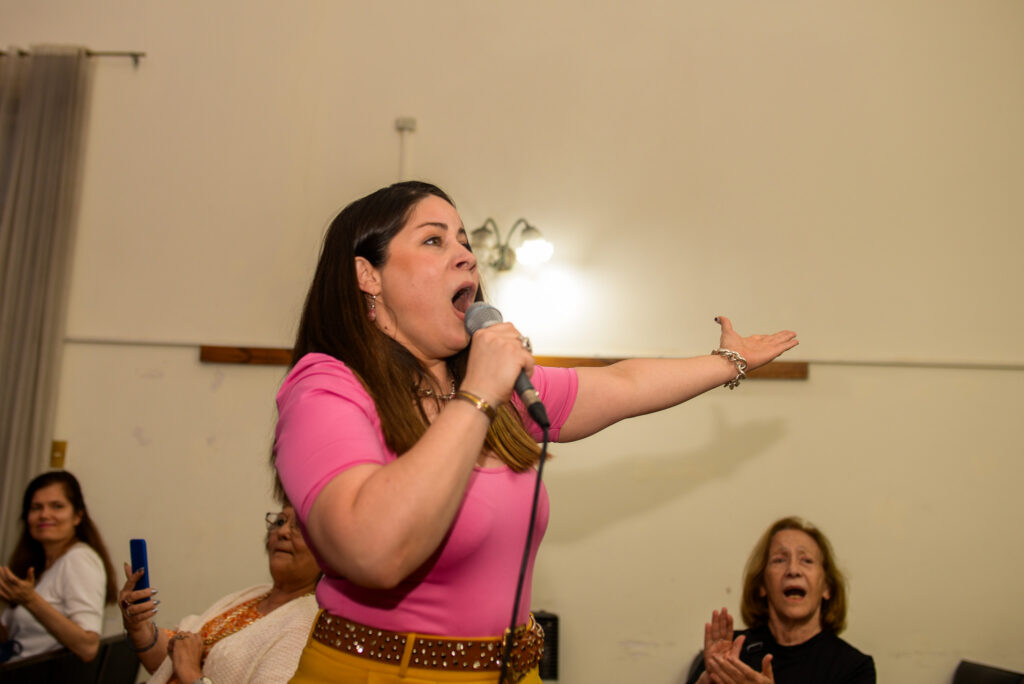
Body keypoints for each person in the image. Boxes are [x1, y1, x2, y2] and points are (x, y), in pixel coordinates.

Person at [273, 180, 799, 684]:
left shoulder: (492, 394)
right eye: (434, 240)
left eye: (464, 241)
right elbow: (370, 551)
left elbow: (625, 383)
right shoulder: (328, 386)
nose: (467, 257)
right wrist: (479, 394)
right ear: (367, 275)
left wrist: (729, 362)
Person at [118, 504, 321, 684]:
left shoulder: (307, 624)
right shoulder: (255, 595)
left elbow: (184, 664)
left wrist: (190, 673)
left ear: (326, 551)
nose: (283, 531)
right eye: (280, 521)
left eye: (299, 526)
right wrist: (138, 626)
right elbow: (168, 663)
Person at [685, 516, 875, 684]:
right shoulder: (730, 653)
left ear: (827, 587)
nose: (793, 570)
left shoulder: (854, 667)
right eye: (779, 560)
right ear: (762, 585)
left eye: (806, 560)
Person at [0, 470, 117, 663]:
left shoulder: (79, 558)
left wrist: (30, 600)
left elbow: (88, 646)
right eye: (36, 507)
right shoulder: (36, 565)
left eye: (57, 506)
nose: (44, 515)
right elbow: (13, 638)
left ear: (77, 516)